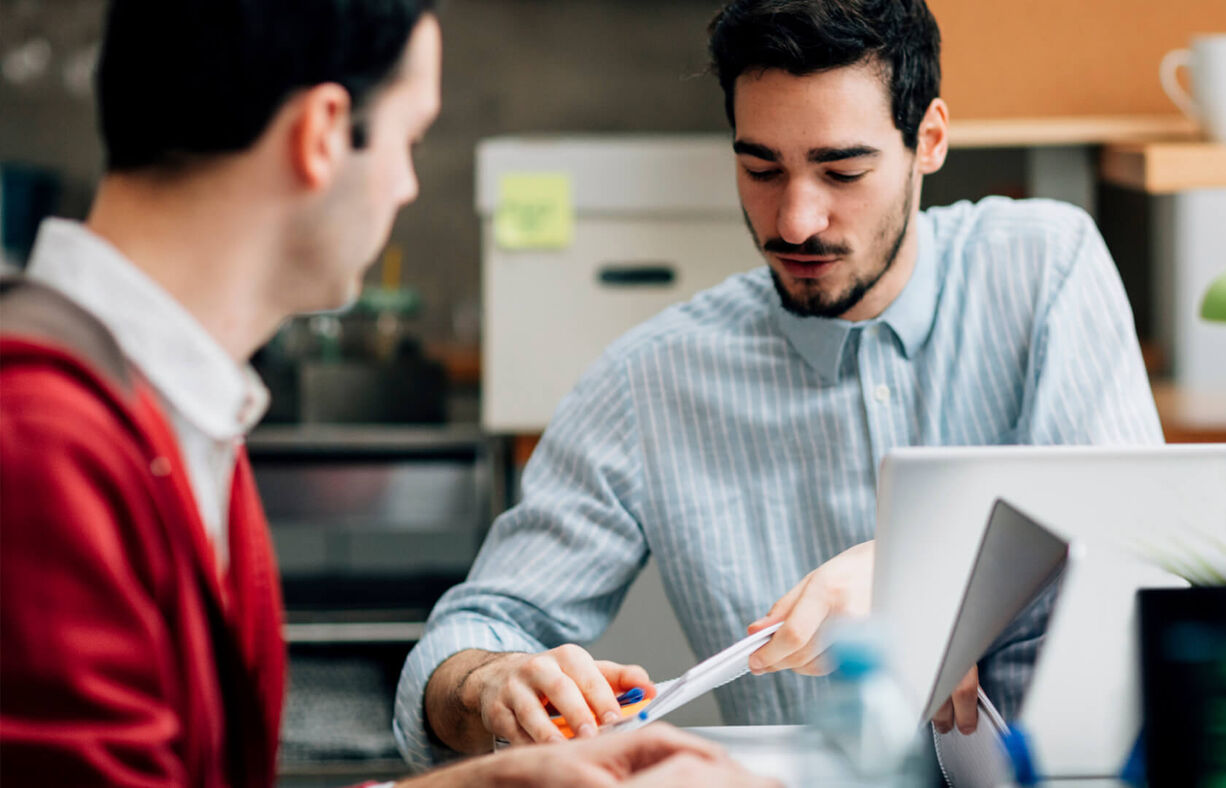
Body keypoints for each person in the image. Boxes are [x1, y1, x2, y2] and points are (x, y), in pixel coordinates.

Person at [0, 1, 773, 786]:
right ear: (323, 135)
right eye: (409, 139)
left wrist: (490, 782)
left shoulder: (175, 411)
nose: (406, 187)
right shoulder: (40, 438)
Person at [397, 0, 1163, 770]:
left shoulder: (1046, 270)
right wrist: (491, 684)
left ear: (927, 140)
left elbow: (1149, 557)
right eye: (761, 168)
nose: (795, 221)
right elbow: (467, 636)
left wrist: (937, 584)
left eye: (842, 170)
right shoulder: (651, 382)